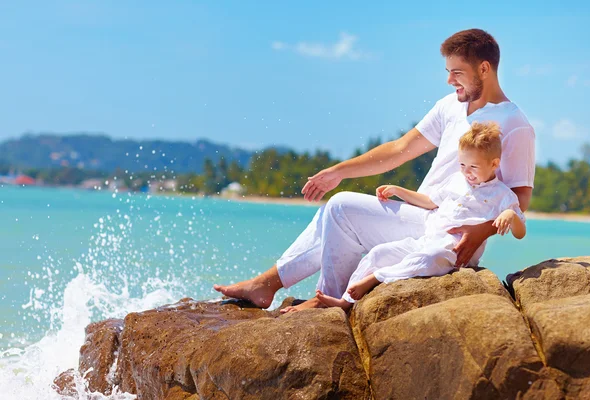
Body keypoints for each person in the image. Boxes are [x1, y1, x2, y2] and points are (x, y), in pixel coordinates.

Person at [213, 28, 535, 313]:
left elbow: (519, 200)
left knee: (340, 209)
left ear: (484, 68)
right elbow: (400, 148)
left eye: (457, 72)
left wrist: (480, 232)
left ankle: (321, 299)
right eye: (447, 71)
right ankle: (270, 284)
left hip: (449, 237)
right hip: (421, 214)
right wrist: (339, 171)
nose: (449, 80)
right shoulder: (450, 105)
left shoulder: (515, 124)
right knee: (336, 210)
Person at [315, 122, 526, 311]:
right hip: (426, 241)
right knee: (379, 253)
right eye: (462, 165)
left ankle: (375, 279)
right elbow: (429, 201)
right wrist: (399, 191)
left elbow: (520, 231)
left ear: (494, 164)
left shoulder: (502, 195)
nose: (467, 172)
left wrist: (509, 214)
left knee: (428, 259)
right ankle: (345, 300)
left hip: (454, 253)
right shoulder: (455, 181)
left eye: (473, 167)